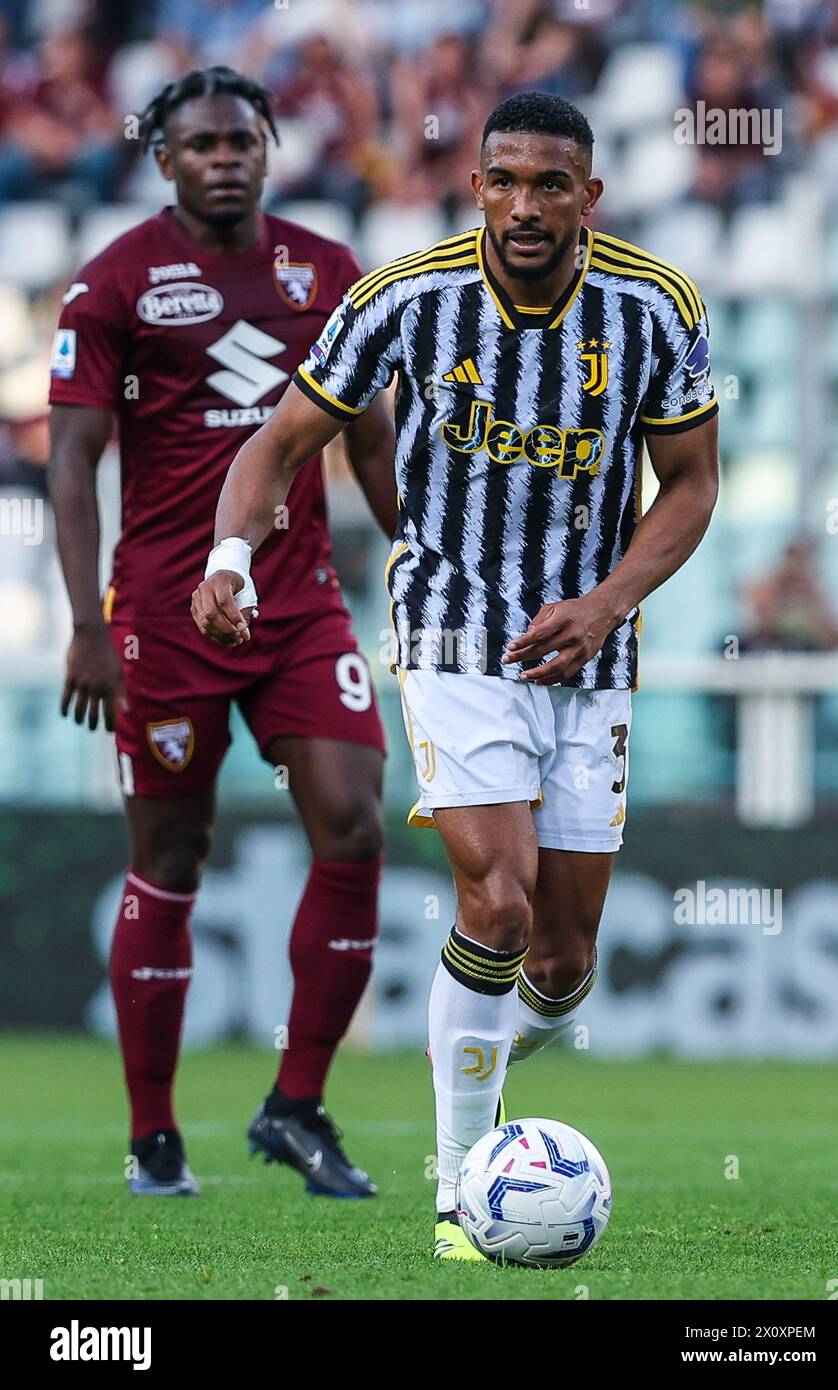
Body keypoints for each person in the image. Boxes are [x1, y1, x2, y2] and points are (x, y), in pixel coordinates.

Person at [192, 89, 719, 1258]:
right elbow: (278, 442)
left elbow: (687, 482)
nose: (522, 205)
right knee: (496, 901)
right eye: (502, 179)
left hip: (591, 645)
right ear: (472, 184)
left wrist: (604, 603)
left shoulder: (653, 304)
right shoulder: (403, 296)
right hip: (449, 629)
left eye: (549, 184)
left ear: (590, 196)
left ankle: (465, 1046)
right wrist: (229, 555)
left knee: (562, 956)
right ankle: (459, 1192)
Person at [48, 66, 397, 1201]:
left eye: (242, 139)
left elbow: (374, 448)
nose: (225, 157)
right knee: (172, 857)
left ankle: (296, 1106)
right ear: (163, 158)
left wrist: (419, 549)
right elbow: (70, 463)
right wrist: (86, 622)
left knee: (350, 825)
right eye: (200, 144)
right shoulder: (114, 285)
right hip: (161, 614)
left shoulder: (328, 270)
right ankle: (154, 1135)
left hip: (296, 600)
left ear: (268, 146)